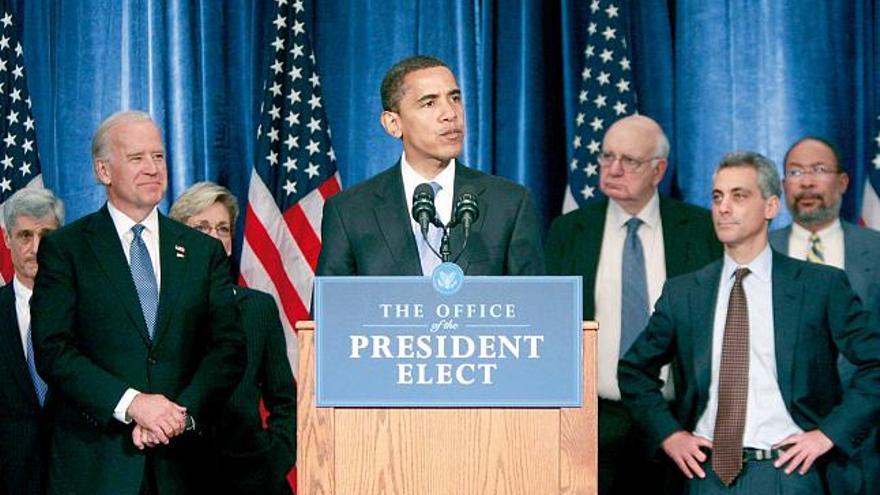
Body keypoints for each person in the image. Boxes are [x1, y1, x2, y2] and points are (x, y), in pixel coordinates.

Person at [618, 151, 880, 493]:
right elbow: (634, 372)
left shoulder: (820, 286)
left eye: (738, 196)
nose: (723, 208)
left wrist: (829, 434)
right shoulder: (684, 292)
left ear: (771, 207)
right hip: (704, 477)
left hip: (788, 473)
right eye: (717, 197)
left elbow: (875, 363)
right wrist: (668, 434)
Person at [31, 110, 244, 495]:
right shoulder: (67, 250)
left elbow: (227, 349)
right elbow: (53, 349)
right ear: (103, 171)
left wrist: (175, 416)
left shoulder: (202, 252)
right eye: (137, 158)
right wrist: (132, 404)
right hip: (95, 466)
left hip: (182, 467)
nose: (152, 168)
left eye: (158, 156)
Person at [545, 115, 721, 494]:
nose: (614, 169)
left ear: (658, 170)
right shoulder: (568, 231)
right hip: (595, 418)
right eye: (607, 157)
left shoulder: (702, 229)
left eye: (629, 161)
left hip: (678, 421)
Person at [316, 55, 544, 276]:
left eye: (454, 98)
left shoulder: (510, 203)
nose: (450, 114)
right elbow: (330, 311)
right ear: (393, 124)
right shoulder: (349, 212)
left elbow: (535, 306)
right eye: (429, 103)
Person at [769, 136, 880, 494]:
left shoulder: (876, 252)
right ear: (783, 185)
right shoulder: (758, 251)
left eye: (819, 170)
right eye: (795, 172)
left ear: (843, 182)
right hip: (779, 448)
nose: (807, 181)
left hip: (867, 445)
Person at [169, 181, 295, 495]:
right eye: (202, 226)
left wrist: (273, 461)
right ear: (177, 239)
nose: (213, 237)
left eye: (222, 228)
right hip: (177, 476)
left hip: (251, 477)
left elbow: (285, 402)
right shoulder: (155, 310)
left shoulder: (258, 308)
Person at [0, 188, 63, 495]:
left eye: (45, 234)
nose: (36, 247)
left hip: (74, 474)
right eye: (24, 235)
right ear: (6, 239)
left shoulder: (87, 311)